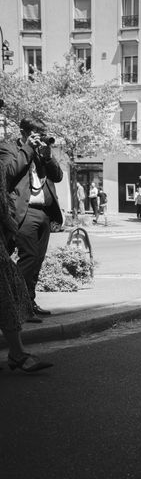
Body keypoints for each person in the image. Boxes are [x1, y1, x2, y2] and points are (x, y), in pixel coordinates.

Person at [0, 117, 63, 319]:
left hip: (44, 212)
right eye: (35, 133)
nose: (39, 138)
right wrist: (27, 148)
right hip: (24, 212)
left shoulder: (40, 153)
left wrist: (47, 157)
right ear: (23, 132)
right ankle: (16, 305)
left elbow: (58, 176)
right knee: (30, 258)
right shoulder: (8, 148)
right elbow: (8, 173)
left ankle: (29, 303)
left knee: (37, 262)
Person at [0, 151, 53, 372]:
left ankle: (17, 353)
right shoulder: (11, 152)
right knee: (5, 296)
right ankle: (18, 354)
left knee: (6, 296)